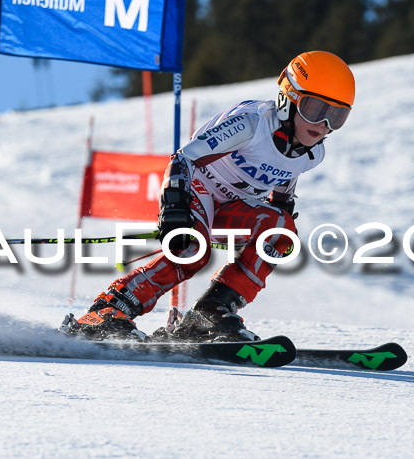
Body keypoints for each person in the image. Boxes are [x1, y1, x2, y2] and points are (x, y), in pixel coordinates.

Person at [62, 50, 355, 342]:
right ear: (287, 98)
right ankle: (109, 310)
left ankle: (211, 314)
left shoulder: (314, 153)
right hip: (198, 189)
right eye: (315, 110)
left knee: (282, 232)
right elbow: (184, 160)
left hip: (230, 207)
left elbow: (283, 187)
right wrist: (175, 209)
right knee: (192, 252)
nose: (323, 125)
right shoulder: (252, 123)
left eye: (337, 116)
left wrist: (281, 218)